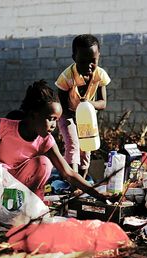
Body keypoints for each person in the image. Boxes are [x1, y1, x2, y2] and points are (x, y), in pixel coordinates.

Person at [0, 80, 110, 202]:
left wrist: (98, 195)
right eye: (51, 118)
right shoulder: (7, 127)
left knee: (44, 163)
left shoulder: (46, 141)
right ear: (34, 115)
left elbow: (68, 173)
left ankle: (27, 204)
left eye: (56, 120)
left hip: (17, 185)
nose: (54, 125)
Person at [55, 34, 111, 179]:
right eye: (83, 61)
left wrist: (88, 104)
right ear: (74, 58)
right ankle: (72, 179)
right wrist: (73, 120)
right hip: (67, 115)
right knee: (74, 144)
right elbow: (62, 105)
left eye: (93, 61)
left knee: (86, 147)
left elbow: (103, 103)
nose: (88, 66)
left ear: (98, 56)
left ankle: (82, 180)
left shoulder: (99, 75)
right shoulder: (67, 77)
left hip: (86, 118)